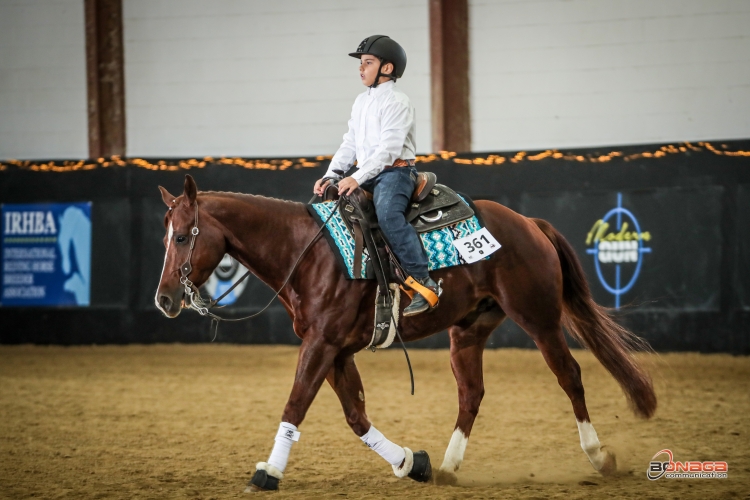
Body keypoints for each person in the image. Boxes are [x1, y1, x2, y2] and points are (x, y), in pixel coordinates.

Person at [313, 35, 440, 317]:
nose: (361, 68)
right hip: (368, 172)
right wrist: (331, 174)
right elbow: (350, 142)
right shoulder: (361, 101)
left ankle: (423, 279)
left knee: (388, 216)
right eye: (361, 63)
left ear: (387, 68)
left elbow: (388, 150)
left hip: (395, 172)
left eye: (368, 63)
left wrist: (357, 177)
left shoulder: (398, 101)